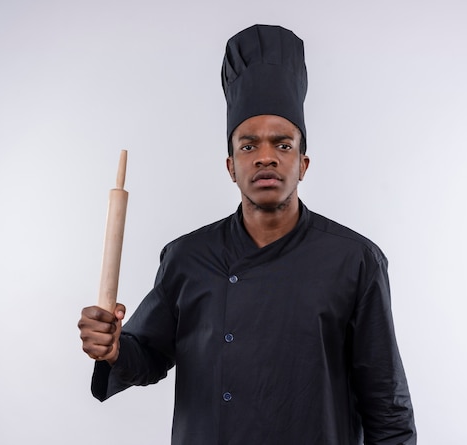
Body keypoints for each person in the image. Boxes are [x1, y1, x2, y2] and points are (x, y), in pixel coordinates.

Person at [78, 24, 416, 444]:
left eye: (283, 144)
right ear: (231, 166)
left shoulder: (355, 260)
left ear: (304, 164)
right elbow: (145, 355)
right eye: (248, 145)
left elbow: (386, 404)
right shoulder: (187, 257)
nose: (266, 157)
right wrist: (112, 348)